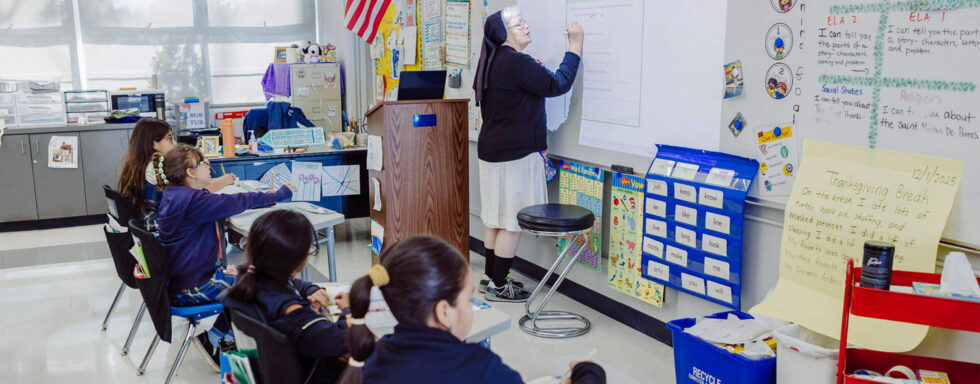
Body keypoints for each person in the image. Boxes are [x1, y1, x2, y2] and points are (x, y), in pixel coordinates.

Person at [336, 235, 606, 384]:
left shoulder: (368, 362)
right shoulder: (482, 369)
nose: (472, 306)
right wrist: (589, 375)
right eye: (468, 299)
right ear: (444, 312)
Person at [473, 6, 584, 302]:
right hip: (516, 155)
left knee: (495, 219)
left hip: (492, 153)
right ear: (504, 34)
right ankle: (500, 286)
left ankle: (490, 278)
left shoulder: (494, 61)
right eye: (519, 25)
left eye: (524, 22)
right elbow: (557, 83)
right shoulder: (517, 62)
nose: (526, 27)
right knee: (513, 221)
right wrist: (574, 48)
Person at [153, 144, 295, 370]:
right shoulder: (195, 202)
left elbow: (209, 198)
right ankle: (226, 338)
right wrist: (277, 195)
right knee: (261, 284)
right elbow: (237, 202)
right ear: (190, 173)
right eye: (202, 163)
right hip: (194, 285)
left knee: (247, 273)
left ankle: (216, 336)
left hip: (182, 280)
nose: (209, 166)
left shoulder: (175, 195)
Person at [224, 210, 351, 383]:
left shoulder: (248, 280)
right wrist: (349, 311)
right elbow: (339, 341)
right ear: (297, 260)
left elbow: (295, 284)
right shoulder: (292, 311)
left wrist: (308, 290)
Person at [117, 118, 235, 216]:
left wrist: (219, 180)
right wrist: (223, 181)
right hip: (165, 234)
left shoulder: (141, 166)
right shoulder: (157, 169)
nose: (175, 143)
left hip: (154, 231)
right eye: (169, 138)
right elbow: (193, 196)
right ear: (154, 143)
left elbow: (191, 186)